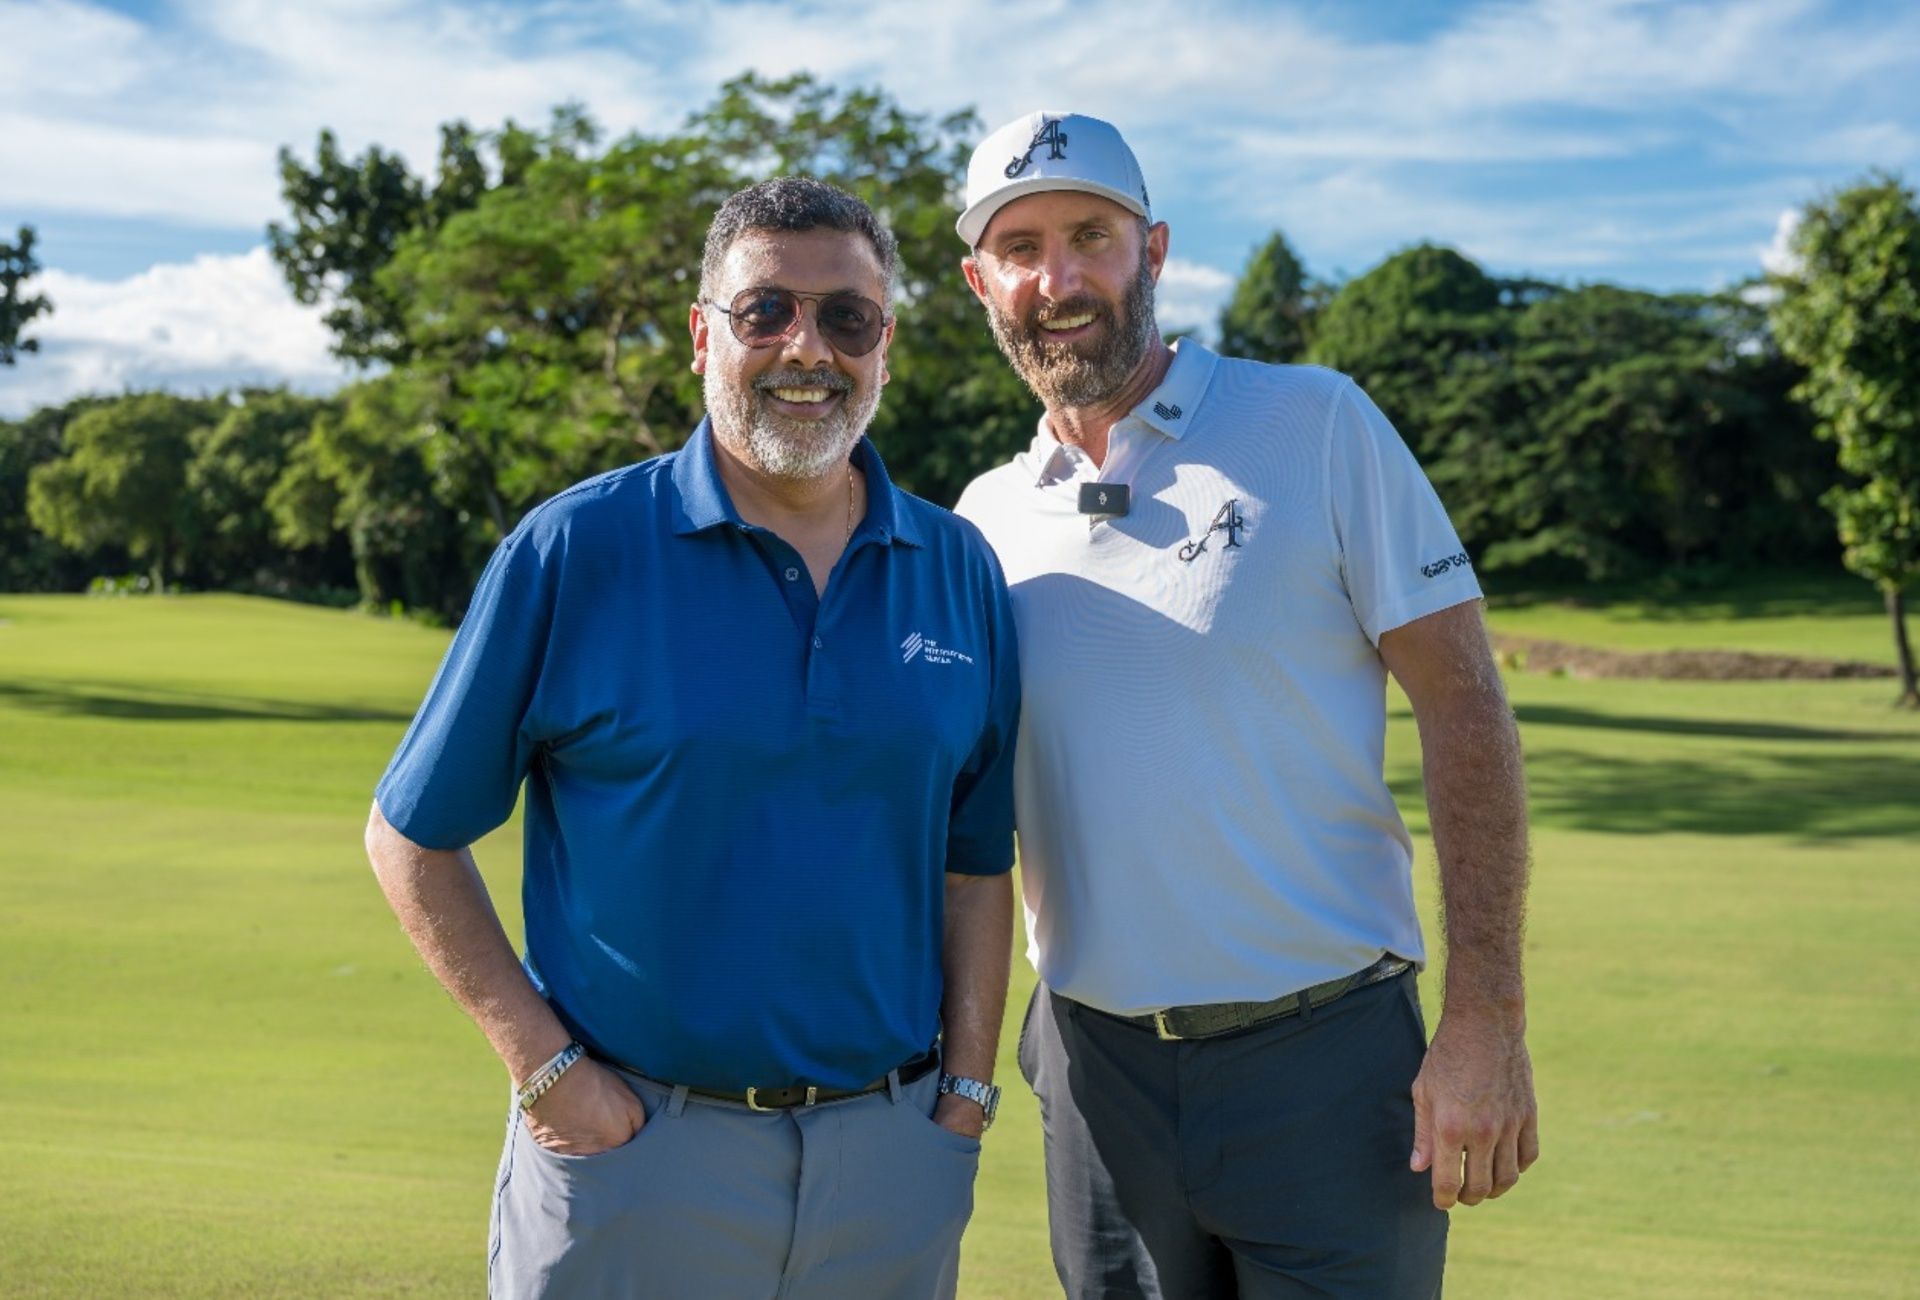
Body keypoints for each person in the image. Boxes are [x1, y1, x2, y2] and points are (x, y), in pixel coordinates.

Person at [364, 176, 1020, 1300]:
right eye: (764, 310)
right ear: (699, 334)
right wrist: (548, 1069)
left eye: (846, 318)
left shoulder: (960, 568)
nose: (806, 346)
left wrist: (961, 1100)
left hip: (891, 1167)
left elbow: (973, 863)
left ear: (886, 344)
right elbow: (409, 837)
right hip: (634, 1156)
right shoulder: (574, 549)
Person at [953, 111, 1539, 1298]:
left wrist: (1487, 1016)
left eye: (1091, 236)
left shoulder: (1317, 423)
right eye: (1020, 248)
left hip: (1327, 1064)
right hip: (1094, 1075)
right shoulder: (980, 519)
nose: (1056, 278)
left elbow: (1466, 707)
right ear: (981, 282)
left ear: (1153, 251)